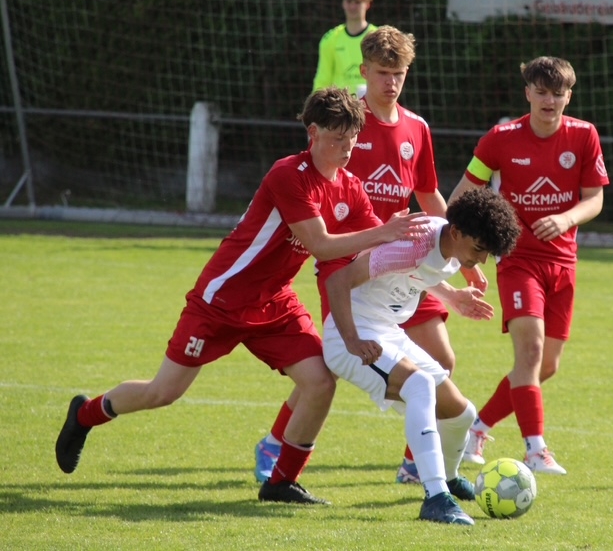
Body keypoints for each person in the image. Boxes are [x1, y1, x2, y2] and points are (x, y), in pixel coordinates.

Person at [54, 87, 428, 506]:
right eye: (337, 138)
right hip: (222, 300)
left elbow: (379, 248)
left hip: (275, 303)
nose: (347, 148)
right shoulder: (288, 174)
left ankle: (281, 482)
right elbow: (322, 245)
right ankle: (84, 414)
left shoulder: (350, 187)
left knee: (321, 381)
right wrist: (384, 232)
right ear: (313, 133)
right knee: (164, 392)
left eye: (352, 139)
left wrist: (441, 279)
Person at [254, 25, 487, 485]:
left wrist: (459, 252)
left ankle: (416, 462)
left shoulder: (417, 127)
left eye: (399, 73)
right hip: (351, 264)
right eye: (382, 72)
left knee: (441, 359)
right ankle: (276, 441)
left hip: (409, 260)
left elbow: (427, 194)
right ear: (364, 71)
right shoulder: (346, 124)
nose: (391, 82)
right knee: (337, 362)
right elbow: (313, 179)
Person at [322, 188, 522, 525]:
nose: (481, 260)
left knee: (462, 414)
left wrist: (453, 297)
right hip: (351, 338)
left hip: (387, 332)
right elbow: (338, 281)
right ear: (456, 232)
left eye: (488, 253)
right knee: (419, 385)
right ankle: (436, 497)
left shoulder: (451, 250)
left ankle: (450, 477)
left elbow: (420, 273)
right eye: (479, 249)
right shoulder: (414, 244)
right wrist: (352, 340)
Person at [450, 56, 609, 475]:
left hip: (564, 262)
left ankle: (477, 428)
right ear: (527, 93)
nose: (549, 101)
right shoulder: (500, 139)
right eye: (541, 92)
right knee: (531, 351)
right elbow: (463, 193)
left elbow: (595, 198)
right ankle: (535, 450)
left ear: (568, 96)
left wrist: (566, 218)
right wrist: (455, 250)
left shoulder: (584, 135)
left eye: (558, 93)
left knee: (544, 366)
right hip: (518, 261)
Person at [312, 0, 377, 98]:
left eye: (357, 2)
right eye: (349, 1)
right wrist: (317, 102)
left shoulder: (377, 37)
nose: (352, 6)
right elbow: (323, 78)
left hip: (371, 103)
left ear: (367, 4)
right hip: (340, 104)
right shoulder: (330, 39)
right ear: (343, 4)